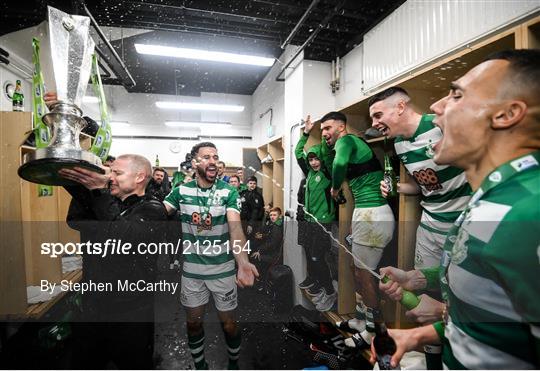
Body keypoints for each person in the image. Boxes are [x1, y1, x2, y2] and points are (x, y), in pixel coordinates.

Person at [375, 49, 540, 370]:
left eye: (456, 94)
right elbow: (495, 310)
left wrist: (439, 313)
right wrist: (419, 285)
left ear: (506, 115)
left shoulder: (527, 213)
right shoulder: (494, 198)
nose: (435, 106)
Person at [58, 154, 168, 369]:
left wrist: (99, 191)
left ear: (140, 177)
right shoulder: (107, 203)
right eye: (110, 173)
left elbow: (121, 238)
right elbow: (76, 220)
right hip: (92, 309)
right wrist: (80, 184)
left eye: (117, 173)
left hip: (130, 314)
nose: (111, 178)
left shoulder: (153, 209)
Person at [163, 142, 259, 370]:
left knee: (229, 325)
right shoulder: (181, 191)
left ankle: (233, 364)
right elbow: (156, 213)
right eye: (206, 157)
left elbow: (235, 228)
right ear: (195, 162)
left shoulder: (229, 192)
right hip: (192, 273)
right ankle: (200, 366)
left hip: (223, 270)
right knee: (193, 324)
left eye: (215, 157)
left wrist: (243, 262)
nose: (212, 161)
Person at [369, 86, 471, 270]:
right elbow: (421, 185)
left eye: (378, 115)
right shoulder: (399, 145)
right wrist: (397, 187)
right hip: (429, 225)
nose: (374, 123)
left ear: (400, 107)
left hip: (463, 224)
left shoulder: (439, 125)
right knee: (424, 284)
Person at [319, 111, 395, 343]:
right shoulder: (347, 143)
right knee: (357, 272)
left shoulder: (348, 140)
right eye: (321, 130)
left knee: (366, 277)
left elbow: (339, 163)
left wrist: (334, 190)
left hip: (374, 215)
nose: (324, 134)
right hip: (365, 214)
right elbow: (329, 159)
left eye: (328, 128)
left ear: (342, 127)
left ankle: (373, 331)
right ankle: (361, 320)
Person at [294, 116, 337, 311]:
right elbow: (297, 151)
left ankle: (329, 292)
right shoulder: (310, 174)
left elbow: (327, 152)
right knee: (312, 257)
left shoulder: (327, 173)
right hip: (311, 222)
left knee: (318, 258)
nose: (313, 162)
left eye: (316, 158)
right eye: (310, 159)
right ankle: (321, 288)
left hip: (323, 222)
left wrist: (321, 133)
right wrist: (305, 133)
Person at [250, 207, 284, 286]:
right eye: (271, 215)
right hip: (272, 251)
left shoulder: (277, 227)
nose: (272, 217)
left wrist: (260, 251)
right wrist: (263, 236)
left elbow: (273, 243)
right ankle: (260, 279)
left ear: (279, 216)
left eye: (274, 215)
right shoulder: (275, 224)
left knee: (254, 257)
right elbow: (270, 236)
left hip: (275, 255)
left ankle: (260, 281)